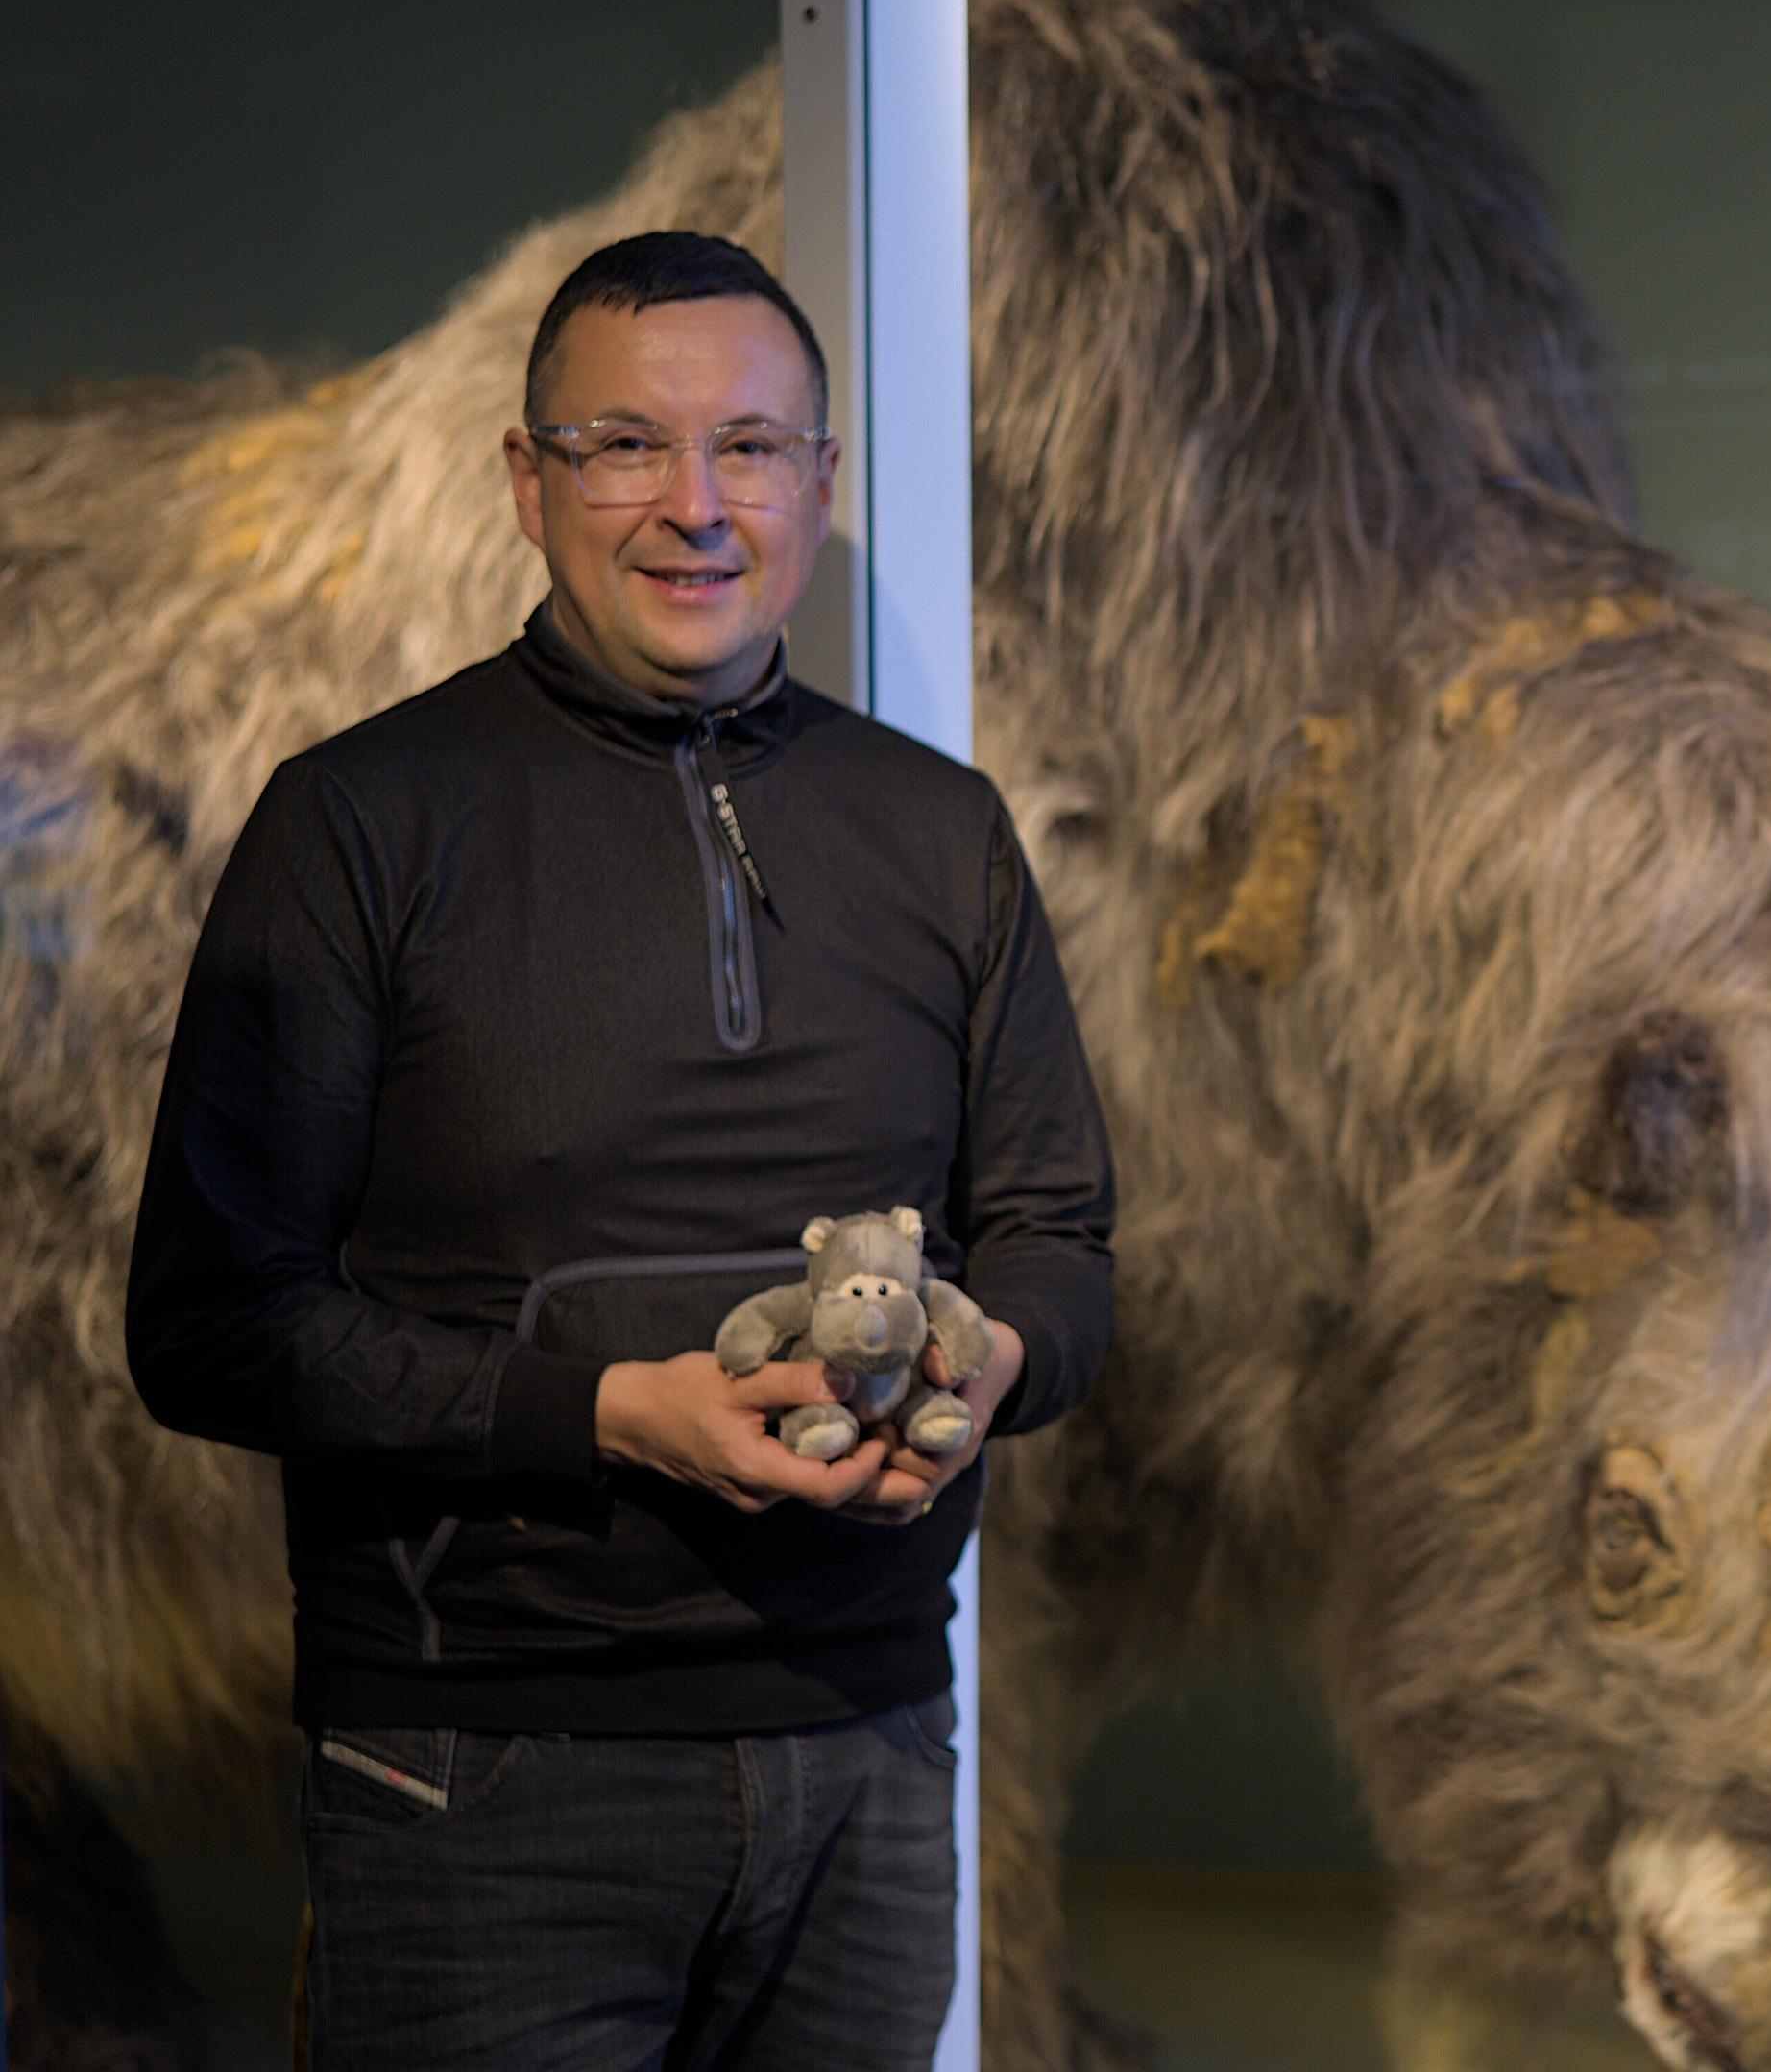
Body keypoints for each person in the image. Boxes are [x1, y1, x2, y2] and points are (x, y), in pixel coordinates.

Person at [125, 231, 1115, 2070]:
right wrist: (610, 1414)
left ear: (821, 482)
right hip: (482, 1773)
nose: (696, 506)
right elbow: (207, 1321)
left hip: (874, 1761)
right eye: (624, 447)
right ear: (529, 482)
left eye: (749, 447)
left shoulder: (943, 831)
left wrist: (993, 1365)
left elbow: (1060, 1239)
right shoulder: (358, 825)